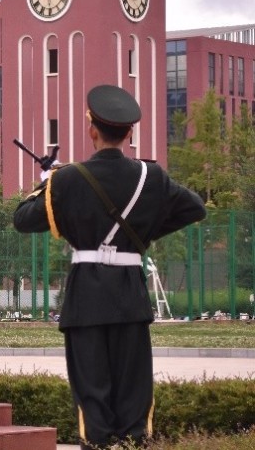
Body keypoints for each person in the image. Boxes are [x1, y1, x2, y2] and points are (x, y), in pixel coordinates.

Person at [13, 85, 206, 450]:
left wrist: (47, 182)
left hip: (86, 296)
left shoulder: (67, 179)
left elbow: (22, 219)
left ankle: (98, 446)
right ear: (129, 133)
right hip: (130, 295)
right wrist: (142, 235)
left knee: (91, 391)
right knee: (134, 390)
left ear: (92, 130)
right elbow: (195, 207)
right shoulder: (153, 178)